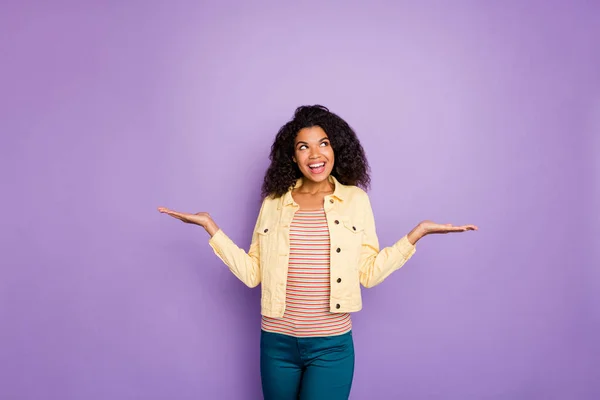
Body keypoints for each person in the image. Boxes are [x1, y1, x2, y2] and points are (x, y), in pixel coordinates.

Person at [158, 105, 477, 400]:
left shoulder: (355, 200)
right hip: (276, 345)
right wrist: (211, 229)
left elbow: (368, 273)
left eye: (323, 143)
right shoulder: (275, 202)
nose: (315, 154)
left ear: (336, 148)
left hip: (331, 347)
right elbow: (253, 274)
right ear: (293, 157)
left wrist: (416, 234)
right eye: (303, 146)